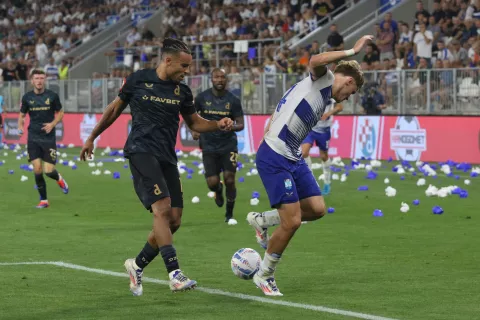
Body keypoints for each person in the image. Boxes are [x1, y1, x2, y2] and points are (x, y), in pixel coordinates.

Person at [79, 38, 233, 296]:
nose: (187, 71)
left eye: (189, 67)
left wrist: (217, 124)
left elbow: (194, 123)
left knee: (174, 221)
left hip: (167, 157)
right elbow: (115, 110)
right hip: (141, 151)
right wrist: (92, 136)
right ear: (168, 60)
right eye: (183, 66)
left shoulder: (182, 92)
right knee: (161, 209)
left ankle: (136, 265)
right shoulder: (138, 79)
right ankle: (174, 273)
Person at [246, 35, 372, 296]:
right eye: (352, 92)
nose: (347, 99)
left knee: (316, 209)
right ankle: (265, 274)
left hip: (293, 156)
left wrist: (272, 120)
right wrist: (353, 50)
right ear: (349, 81)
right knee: (291, 223)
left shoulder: (323, 95)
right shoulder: (322, 79)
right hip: (275, 156)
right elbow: (314, 60)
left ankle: (261, 220)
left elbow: (287, 104)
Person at [191, 68, 244, 225]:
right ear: (211, 79)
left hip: (228, 145)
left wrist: (231, 127)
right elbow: (191, 117)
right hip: (208, 145)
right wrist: (194, 129)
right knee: (212, 182)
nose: (220, 80)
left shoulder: (233, 100)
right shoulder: (201, 98)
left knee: (229, 179)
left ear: (226, 80)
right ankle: (217, 191)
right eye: (216, 77)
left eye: (222, 77)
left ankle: (229, 214)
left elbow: (241, 124)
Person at [18, 70, 69, 209]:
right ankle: (44, 200)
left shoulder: (52, 96)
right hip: (33, 137)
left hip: (48, 138)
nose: (39, 81)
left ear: (44, 80)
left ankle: (59, 179)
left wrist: (52, 124)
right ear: (32, 81)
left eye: (41, 78)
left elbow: (61, 113)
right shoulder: (27, 97)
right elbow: (22, 115)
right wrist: (20, 127)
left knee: (48, 171)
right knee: (38, 169)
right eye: (36, 78)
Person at [300, 101, 344, 195]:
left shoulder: (331, 93)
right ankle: (311, 182)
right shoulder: (314, 93)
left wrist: (328, 113)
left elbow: (340, 107)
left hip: (324, 131)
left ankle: (327, 183)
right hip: (310, 128)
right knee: (304, 152)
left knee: (324, 156)